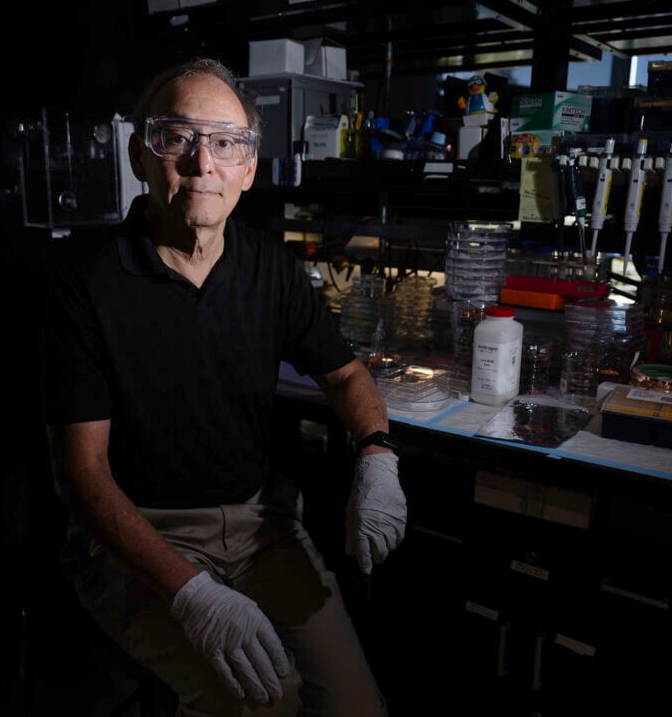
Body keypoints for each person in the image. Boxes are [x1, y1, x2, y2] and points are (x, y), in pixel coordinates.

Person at [40, 56, 407, 717]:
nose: (202, 162)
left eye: (226, 142)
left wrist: (377, 454)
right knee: (265, 706)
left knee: (356, 707)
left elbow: (346, 373)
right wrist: (193, 594)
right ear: (140, 155)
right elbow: (82, 473)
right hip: (141, 539)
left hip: (263, 527)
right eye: (177, 137)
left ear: (249, 168)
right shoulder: (85, 286)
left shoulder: (270, 266)